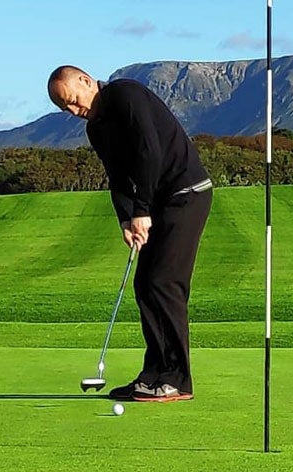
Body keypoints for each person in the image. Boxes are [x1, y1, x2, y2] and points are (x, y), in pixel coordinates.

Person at [47, 65, 213, 403]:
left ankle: (177, 379)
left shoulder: (126, 94)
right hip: (161, 201)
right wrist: (126, 218)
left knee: (163, 283)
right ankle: (153, 375)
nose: (74, 111)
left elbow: (148, 152)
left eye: (74, 102)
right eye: (66, 108)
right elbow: (119, 175)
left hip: (186, 193)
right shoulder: (96, 129)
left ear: (85, 81)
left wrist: (142, 210)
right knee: (145, 284)